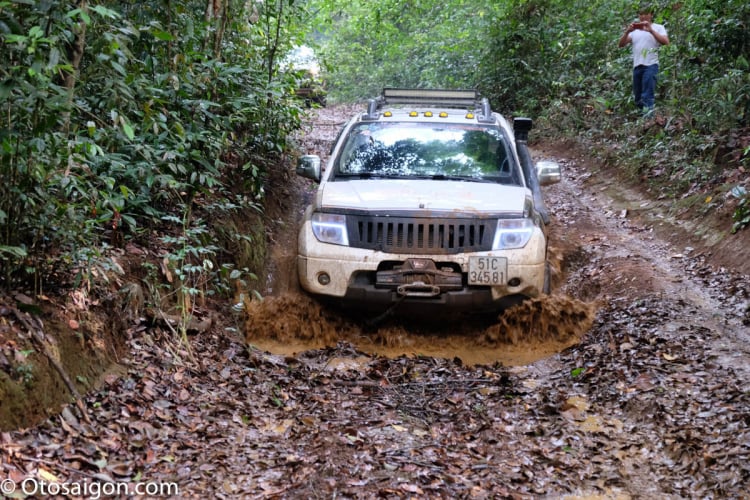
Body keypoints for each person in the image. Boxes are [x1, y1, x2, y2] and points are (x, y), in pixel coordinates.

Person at [618, 5, 670, 115]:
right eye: (641, 14)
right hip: (637, 66)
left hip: (651, 65)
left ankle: (649, 120)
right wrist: (627, 32)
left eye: (646, 14)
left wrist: (651, 31)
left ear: (651, 15)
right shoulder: (635, 31)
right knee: (638, 98)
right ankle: (646, 118)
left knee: (647, 95)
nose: (643, 16)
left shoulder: (658, 27)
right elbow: (621, 44)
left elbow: (666, 41)